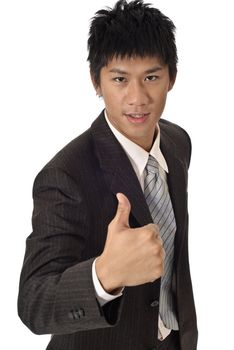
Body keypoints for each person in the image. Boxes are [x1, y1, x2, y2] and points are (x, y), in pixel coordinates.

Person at [17, 1, 198, 349]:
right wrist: (104, 275)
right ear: (96, 81)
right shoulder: (65, 175)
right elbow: (33, 303)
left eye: (151, 77)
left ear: (171, 78)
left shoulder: (178, 143)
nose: (138, 98)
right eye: (119, 79)